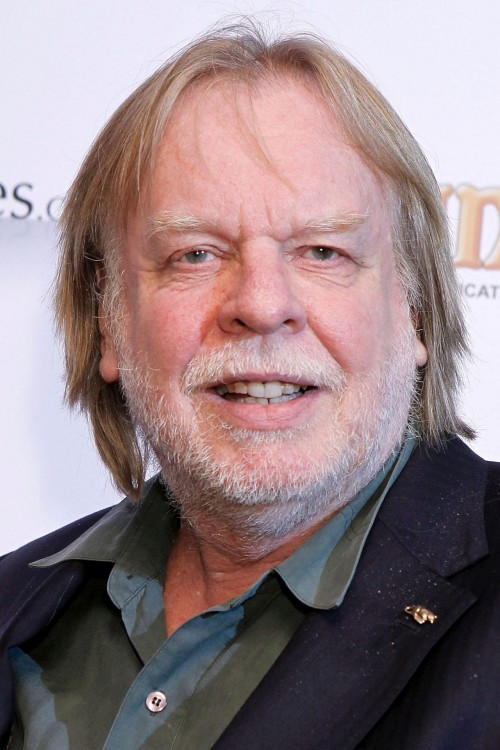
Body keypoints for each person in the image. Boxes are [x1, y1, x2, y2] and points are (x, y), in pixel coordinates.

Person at [1, 19, 499, 750]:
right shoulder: (17, 604)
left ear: (415, 307)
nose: (263, 305)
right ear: (108, 321)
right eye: (195, 254)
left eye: (323, 251)